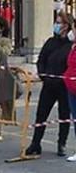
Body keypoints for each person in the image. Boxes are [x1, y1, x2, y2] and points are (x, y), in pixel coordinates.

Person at [27, 13, 73, 156]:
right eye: (56, 22)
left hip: (64, 86)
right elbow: (41, 59)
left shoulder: (71, 45)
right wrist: (43, 74)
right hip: (48, 85)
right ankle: (35, 143)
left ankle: (61, 144)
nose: (57, 25)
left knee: (64, 115)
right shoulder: (50, 42)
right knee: (41, 114)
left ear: (66, 26)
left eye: (59, 23)